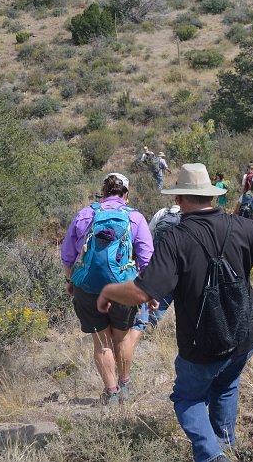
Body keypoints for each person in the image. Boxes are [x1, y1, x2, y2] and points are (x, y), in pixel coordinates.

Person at [97, 163, 253, 462]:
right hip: (243, 335)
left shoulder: (175, 239)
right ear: (212, 196)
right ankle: (226, 444)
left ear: (179, 199)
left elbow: (143, 292)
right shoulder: (242, 226)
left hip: (200, 344)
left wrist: (108, 291)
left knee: (188, 398)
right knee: (227, 386)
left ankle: (214, 455)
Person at [60, 172, 154, 405]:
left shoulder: (85, 214)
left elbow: (67, 255)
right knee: (121, 340)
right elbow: (147, 260)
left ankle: (111, 392)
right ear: (126, 194)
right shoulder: (135, 217)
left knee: (101, 342)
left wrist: (70, 281)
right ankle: (124, 384)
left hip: (88, 288)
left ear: (102, 192)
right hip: (123, 288)